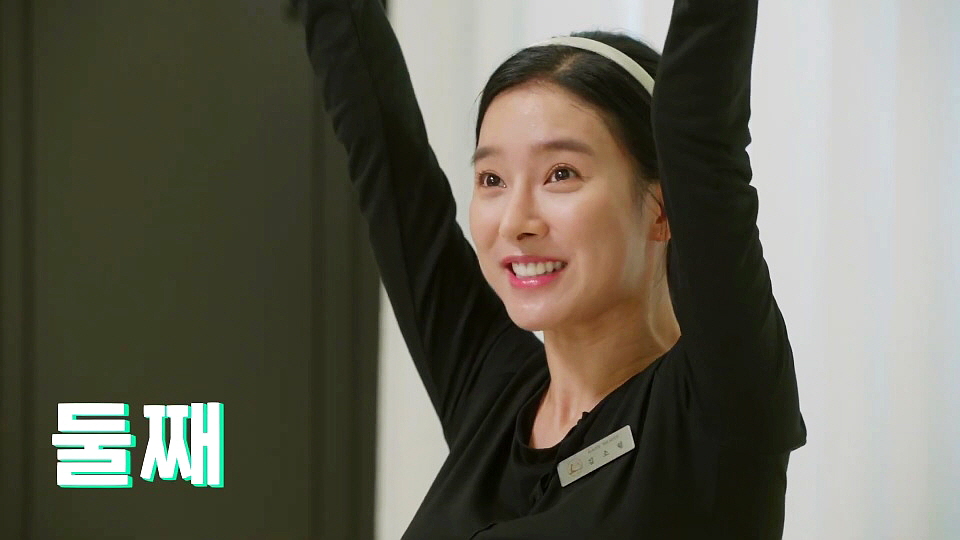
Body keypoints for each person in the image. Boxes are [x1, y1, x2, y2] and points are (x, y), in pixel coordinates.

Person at [303, 0, 806, 537]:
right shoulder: (495, 393)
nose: (515, 222)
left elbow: (697, 135)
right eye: (492, 179)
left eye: (561, 174)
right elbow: (385, 152)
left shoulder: (717, 409)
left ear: (664, 208)